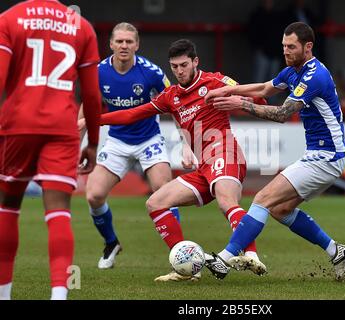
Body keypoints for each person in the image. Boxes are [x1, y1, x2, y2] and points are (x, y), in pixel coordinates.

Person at [79, 39, 268, 281]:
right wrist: (94, 119)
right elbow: (131, 114)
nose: (179, 71)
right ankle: (186, 268)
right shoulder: (171, 96)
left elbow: (259, 98)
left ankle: (250, 254)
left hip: (225, 154)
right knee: (155, 202)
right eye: (175, 66)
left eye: (184, 65)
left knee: (225, 201)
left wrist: (242, 102)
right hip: (203, 168)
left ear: (195, 62)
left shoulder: (216, 81)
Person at [203, 22, 345, 281]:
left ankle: (224, 258)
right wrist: (229, 89)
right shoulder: (292, 71)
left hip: (327, 156)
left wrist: (239, 104)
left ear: (308, 47)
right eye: (284, 46)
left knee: (262, 199)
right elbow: (264, 89)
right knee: (280, 209)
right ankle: (336, 250)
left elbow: (282, 114)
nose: (286, 51)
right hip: (323, 155)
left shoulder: (313, 76)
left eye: (291, 47)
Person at [0, 0, 101, 300]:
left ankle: (4, 295)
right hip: (61, 128)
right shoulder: (81, 26)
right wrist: (93, 141)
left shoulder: (9, 19)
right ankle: (59, 295)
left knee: (8, 207)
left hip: (18, 124)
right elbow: (92, 95)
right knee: (59, 211)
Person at [80, 22, 183, 270]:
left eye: (129, 41)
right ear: (111, 44)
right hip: (116, 141)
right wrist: (78, 139)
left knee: (164, 191)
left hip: (149, 139)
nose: (124, 46)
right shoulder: (98, 71)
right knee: (93, 195)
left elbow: (176, 104)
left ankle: (179, 254)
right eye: (120, 41)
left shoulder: (152, 73)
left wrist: (187, 142)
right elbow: (89, 106)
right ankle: (111, 243)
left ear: (137, 44)